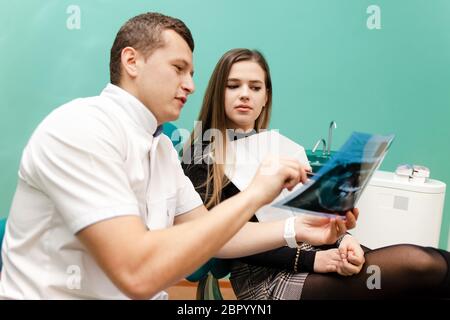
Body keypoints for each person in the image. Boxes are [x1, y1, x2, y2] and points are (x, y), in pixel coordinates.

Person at [0, 13, 354, 300]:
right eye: (178, 68)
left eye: (192, 73)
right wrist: (256, 194)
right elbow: (136, 274)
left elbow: (216, 236)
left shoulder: (162, 151)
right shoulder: (80, 129)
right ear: (131, 61)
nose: (191, 85)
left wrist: (297, 228)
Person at [182, 48, 450, 299]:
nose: (245, 94)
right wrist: (313, 261)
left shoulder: (281, 147)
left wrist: (346, 240)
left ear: (266, 98)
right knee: (421, 265)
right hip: (268, 277)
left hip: (321, 250)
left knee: (430, 269)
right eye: (233, 86)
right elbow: (224, 238)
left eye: (255, 87)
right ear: (218, 92)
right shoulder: (199, 157)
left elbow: (317, 216)